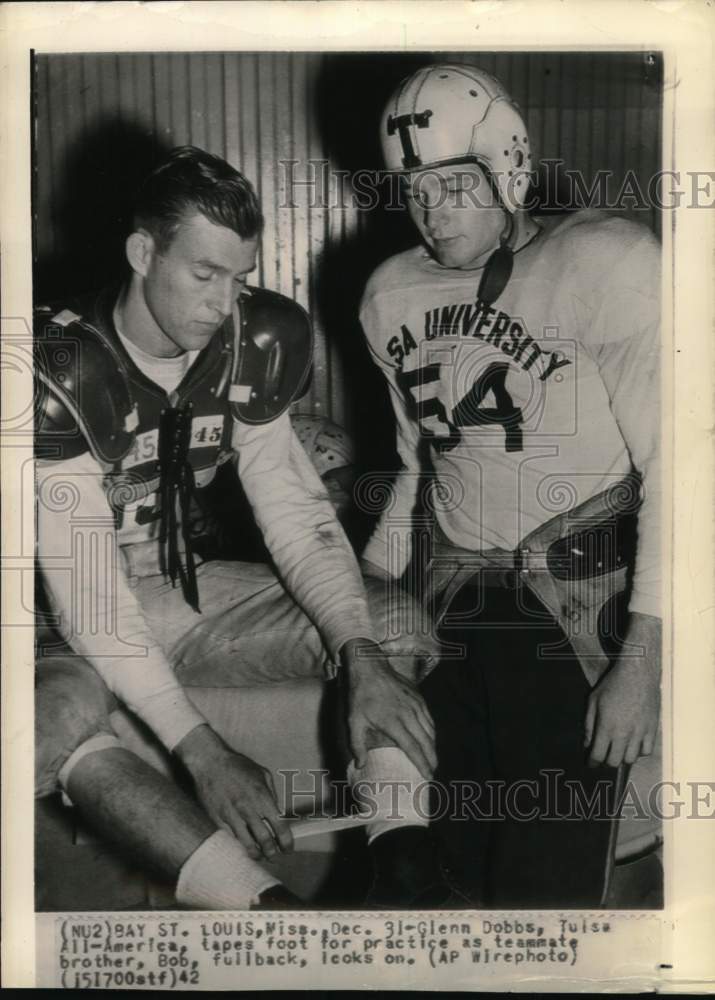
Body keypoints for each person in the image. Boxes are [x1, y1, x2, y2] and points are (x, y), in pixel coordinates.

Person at [34, 145, 452, 910]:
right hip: (42, 611)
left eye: (240, 277)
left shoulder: (253, 339)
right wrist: (203, 750)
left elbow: (293, 512)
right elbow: (88, 599)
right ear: (141, 252)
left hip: (161, 581)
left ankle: (405, 875)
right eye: (203, 274)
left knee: (389, 625)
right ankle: (264, 912)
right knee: (49, 725)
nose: (224, 303)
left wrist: (355, 654)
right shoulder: (56, 361)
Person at [358, 64, 662, 907]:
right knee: (442, 875)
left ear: (509, 168)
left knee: (546, 892)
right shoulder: (389, 294)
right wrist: (368, 595)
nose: (432, 207)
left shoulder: (606, 259)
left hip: (575, 608)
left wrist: (642, 657)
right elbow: (417, 467)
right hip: (456, 602)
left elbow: (682, 469)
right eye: (414, 187)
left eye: (455, 181)